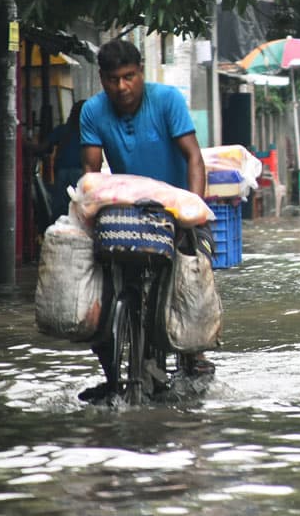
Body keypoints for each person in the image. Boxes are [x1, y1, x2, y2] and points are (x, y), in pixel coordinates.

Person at [78, 39, 212, 396]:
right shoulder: (92, 111)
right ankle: (110, 373)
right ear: (102, 79)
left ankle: (194, 351)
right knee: (100, 282)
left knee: (192, 274)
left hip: (175, 211)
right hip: (126, 211)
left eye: (129, 77)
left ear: (141, 71)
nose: (121, 87)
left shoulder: (167, 100)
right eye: (112, 80)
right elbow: (91, 173)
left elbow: (193, 158)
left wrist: (192, 211)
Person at [39, 100, 86, 222]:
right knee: (79, 207)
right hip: (81, 173)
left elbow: (42, 148)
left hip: (62, 173)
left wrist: (23, 143)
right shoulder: (89, 131)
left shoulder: (62, 130)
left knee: (60, 208)